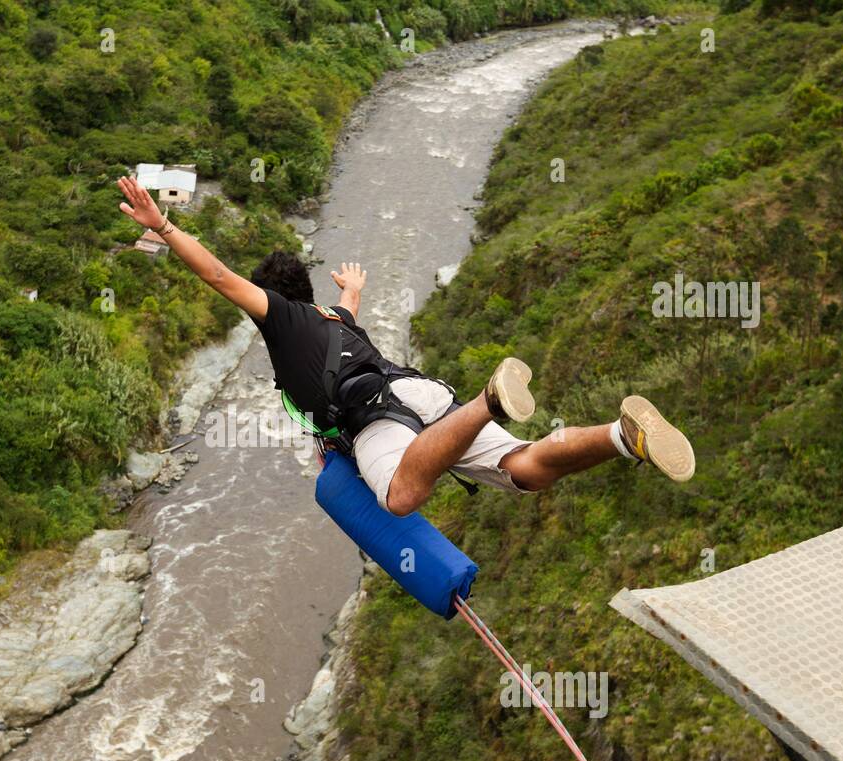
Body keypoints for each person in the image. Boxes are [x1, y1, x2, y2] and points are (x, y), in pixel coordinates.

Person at [117, 175, 695, 516]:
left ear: (269, 298)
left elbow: (219, 276)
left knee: (399, 497)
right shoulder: (331, 315)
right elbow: (347, 315)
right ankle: (624, 437)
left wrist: (165, 229)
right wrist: (354, 289)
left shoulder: (282, 318)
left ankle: (489, 402)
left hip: (378, 418)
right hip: (419, 394)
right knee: (526, 469)